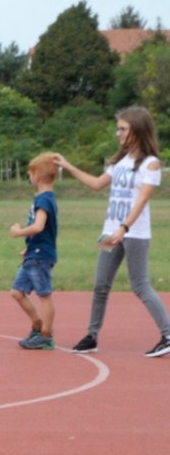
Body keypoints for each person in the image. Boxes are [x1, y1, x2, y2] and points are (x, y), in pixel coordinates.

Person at [57, 106, 169, 357]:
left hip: (134, 233)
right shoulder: (120, 161)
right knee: (100, 286)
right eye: (117, 128)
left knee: (140, 285)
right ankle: (92, 336)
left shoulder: (150, 165)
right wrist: (68, 165)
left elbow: (142, 201)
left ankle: (168, 333)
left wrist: (125, 227)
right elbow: (97, 184)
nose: (117, 133)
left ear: (138, 131)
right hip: (111, 231)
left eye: (123, 129)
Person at [10, 153, 62, 350]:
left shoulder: (44, 200)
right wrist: (29, 246)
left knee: (44, 295)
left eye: (30, 173)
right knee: (17, 292)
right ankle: (38, 325)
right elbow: (44, 230)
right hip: (35, 252)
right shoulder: (43, 198)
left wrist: (18, 232)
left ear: (37, 176)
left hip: (40, 256)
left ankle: (46, 335)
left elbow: (39, 226)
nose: (28, 176)